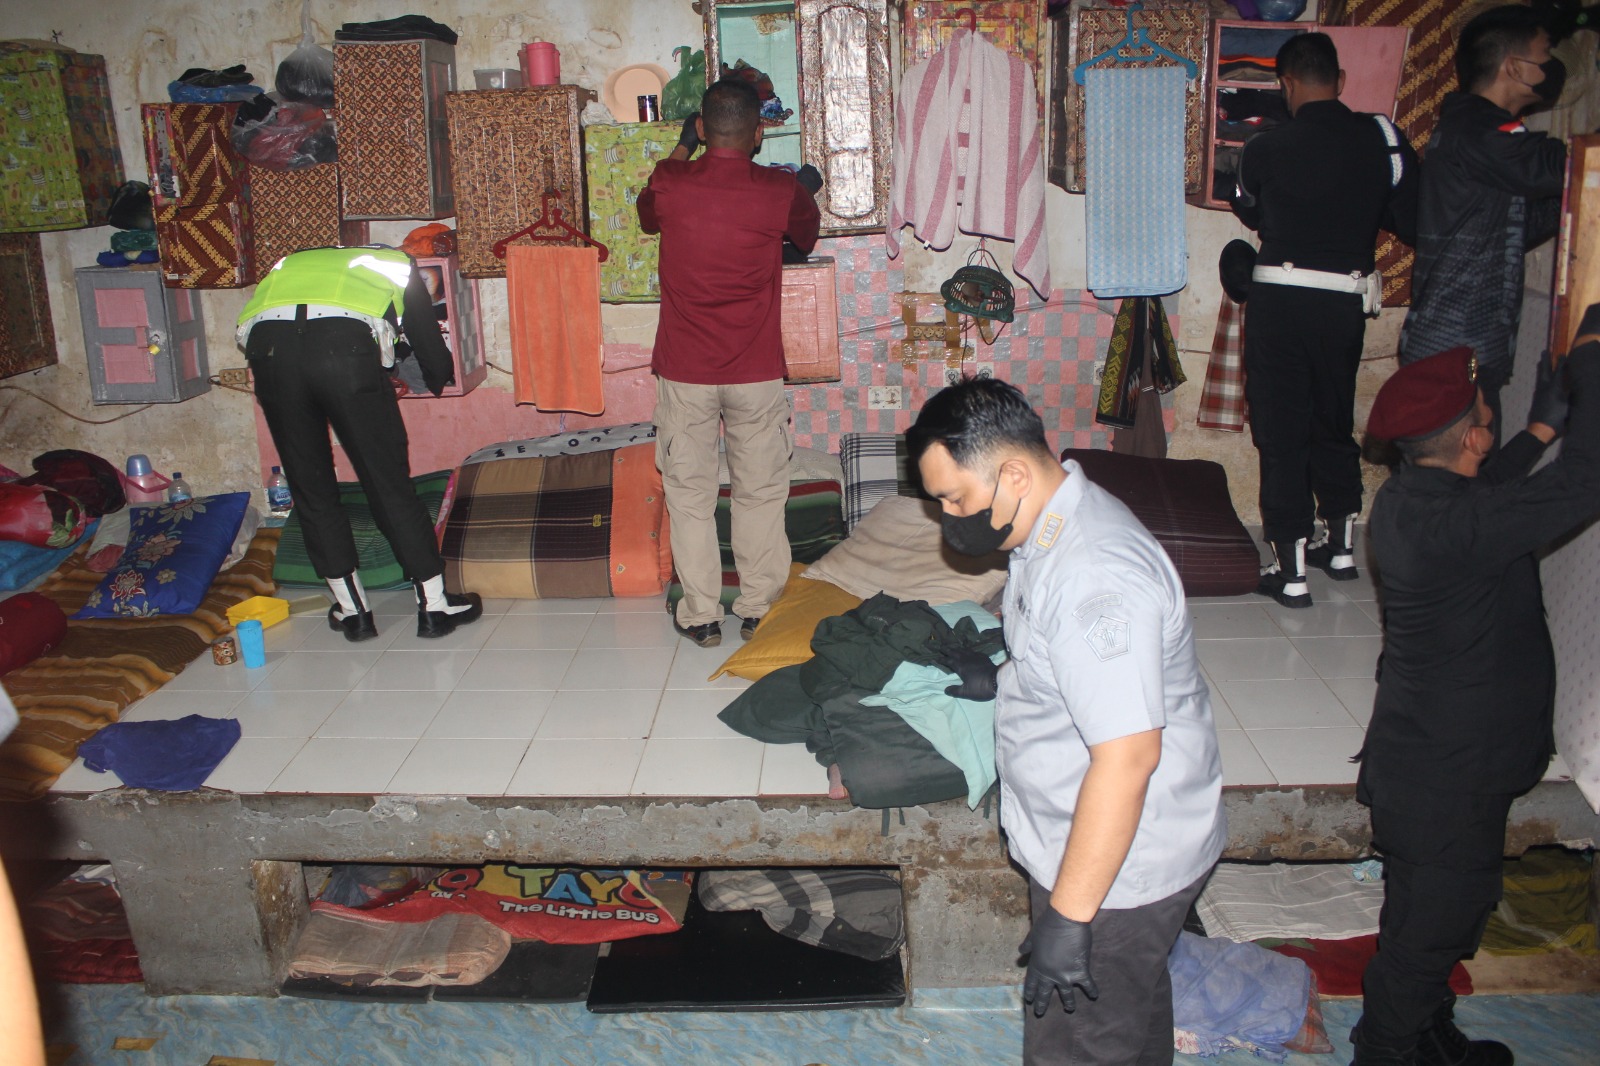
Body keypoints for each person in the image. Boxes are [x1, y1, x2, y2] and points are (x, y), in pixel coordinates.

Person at [908, 377, 1226, 1066]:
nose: (949, 517)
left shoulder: (1094, 575)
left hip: (1116, 868)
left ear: (1013, 475)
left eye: (954, 498)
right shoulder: (1049, 524)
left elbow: (1127, 759)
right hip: (1098, 847)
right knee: (1129, 1019)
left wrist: (1073, 916)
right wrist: (1006, 676)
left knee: (1078, 1048)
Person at [1353, 321, 1600, 1066]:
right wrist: (1591, 363)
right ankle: (1385, 1052)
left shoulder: (1411, 501)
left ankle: (1426, 1037)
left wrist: (1539, 428)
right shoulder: (1462, 524)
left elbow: (1489, 493)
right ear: (1472, 440)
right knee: (1424, 941)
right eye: (1487, 417)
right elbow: (1585, 478)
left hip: (1432, 768)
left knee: (1435, 920)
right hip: (1446, 781)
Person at [1232, 32, 1419, 607]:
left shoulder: (1264, 145)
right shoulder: (1383, 137)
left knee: (1281, 431)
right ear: (1339, 81)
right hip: (1344, 302)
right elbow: (1411, 215)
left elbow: (1249, 209)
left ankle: (1290, 573)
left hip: (1280, 302)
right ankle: (1339, 549)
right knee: (1333, 419)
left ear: (1285, 84)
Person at [638, 77, 820, 648]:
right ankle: (758, 609)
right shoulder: (778, 190)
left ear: (700, 127)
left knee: (689, 495)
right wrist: (801, 188)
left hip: (685, 371)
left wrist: (684, 145)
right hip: (755, 372)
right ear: (759, 132)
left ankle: (701, 614)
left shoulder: (670, 180)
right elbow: (806, 237)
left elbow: (646, 215)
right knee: (759, 493)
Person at [237, 246, 482, 642]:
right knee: (388, 484)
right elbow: (425, 335)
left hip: (270, 354)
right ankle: (435, 608)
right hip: (344, 349)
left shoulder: (292, 261)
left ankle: (353, 613)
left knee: (311, 488)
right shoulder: (397, 262)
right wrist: (437, 377)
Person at [1398, 5, 1568, 446]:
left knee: (1467, 476)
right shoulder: (1479, 129)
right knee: (1457, 476)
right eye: (1545, 55)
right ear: (1514, 67)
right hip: (1454, 343)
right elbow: (1554, 165)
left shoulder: (1481, 132)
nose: (1552, 68)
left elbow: (1515, 227)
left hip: (1465, 342)